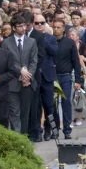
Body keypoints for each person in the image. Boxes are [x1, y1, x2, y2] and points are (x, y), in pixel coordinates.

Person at [3, 17, 38, 135]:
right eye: (20, 26)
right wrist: (20, 71)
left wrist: (28, 76)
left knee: (25, 112)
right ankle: (16, 138)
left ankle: (24, 137)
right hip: (12, 82)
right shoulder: (6, 42)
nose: (24, 28)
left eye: (25, 25)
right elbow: (7, 62)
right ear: (13, 28)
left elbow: (34, 61)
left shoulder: (31, 41)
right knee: (14, 112)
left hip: (27, 83)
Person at [30, 13, 58, 141]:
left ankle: (50, 128)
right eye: (37, 23)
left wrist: (43, 38)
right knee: (35, 106)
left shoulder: (50, 38)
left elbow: (54, 51)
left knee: (49, 105)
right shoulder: (29, 37)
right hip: (34, 76)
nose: (40, 25)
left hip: (47, 76)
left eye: (42, 23)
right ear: (32, 24)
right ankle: (37, 131)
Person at [54, 21, 81, 139]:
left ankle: (67, 129)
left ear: (63, 28)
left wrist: (78, 80)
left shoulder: (69, 43)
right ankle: (54, 129)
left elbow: (76, 61)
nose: (56, 29)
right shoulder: (50, 41)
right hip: (53, 77)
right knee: (53, 104)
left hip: (66, 76)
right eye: (54, 27)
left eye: (58, 27)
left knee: (66, 103)